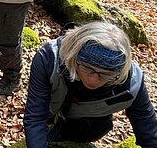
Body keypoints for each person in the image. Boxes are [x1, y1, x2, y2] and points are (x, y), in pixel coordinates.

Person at [24, 21, 157, 147]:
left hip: (88, 119)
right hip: (51, 105)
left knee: (94, 130)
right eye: (88, 68)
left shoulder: (132, 83)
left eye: (106, 74)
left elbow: (149, 132)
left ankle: (62, 132)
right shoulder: (49, 59)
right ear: (74, 58)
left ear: (119, 72)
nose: (93, 80)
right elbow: (35, 117)